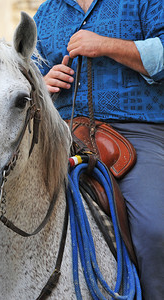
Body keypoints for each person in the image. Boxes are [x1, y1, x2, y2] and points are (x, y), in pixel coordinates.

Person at [33, 0, 163, 299]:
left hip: (136, 132)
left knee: (156, 232)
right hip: (60, 134)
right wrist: (42, 82)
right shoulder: (46, 12)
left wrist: (106, 45)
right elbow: (24, 74)